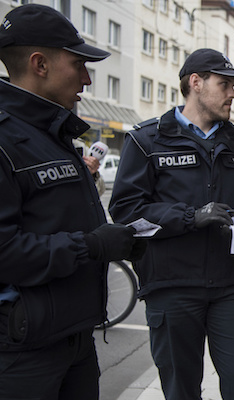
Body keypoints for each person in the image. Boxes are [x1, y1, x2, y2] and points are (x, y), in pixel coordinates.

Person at [109, 48, 234, 400]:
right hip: (172, 287)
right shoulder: (146, 140)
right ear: (196, 83)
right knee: (181, 390)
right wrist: (191, 217)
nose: (233, 94)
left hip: (233, 286)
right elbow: (126, 210)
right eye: (225, 84)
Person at [0, 4, 142, 399]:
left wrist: (117, 241)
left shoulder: (51, 132)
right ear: (40, 64)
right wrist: (91, 246)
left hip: (73, 337)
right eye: (78, 64)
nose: (87, 78)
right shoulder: (7, 139)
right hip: (23, 352)